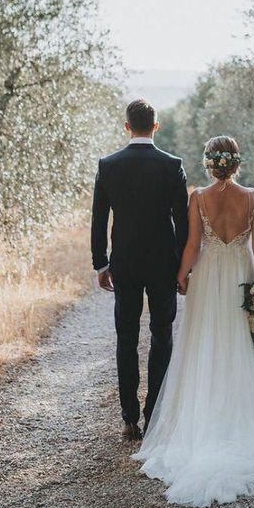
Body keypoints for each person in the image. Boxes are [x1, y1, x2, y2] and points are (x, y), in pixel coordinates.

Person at [132, 134, 254, 506]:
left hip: (209, 276)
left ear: (210, 163)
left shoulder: (198, 198)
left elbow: (193, 245)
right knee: (236, 346)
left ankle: (203, 420)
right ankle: (234, 420)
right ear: (236, 162)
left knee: (204, 344)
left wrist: (181, 275)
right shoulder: (253, 198)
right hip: (240, 275)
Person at [91, 99, 188, 441]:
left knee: (126, 338)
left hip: (125, 265)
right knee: (162, 336)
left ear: (127, 126)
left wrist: (100, 263)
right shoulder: (172, 164)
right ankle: (154, 417)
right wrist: (182, 267)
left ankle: (129, 418)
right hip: (163, 265)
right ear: (156, 126)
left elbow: (99, 219)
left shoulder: (109, 165)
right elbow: (183, 220)